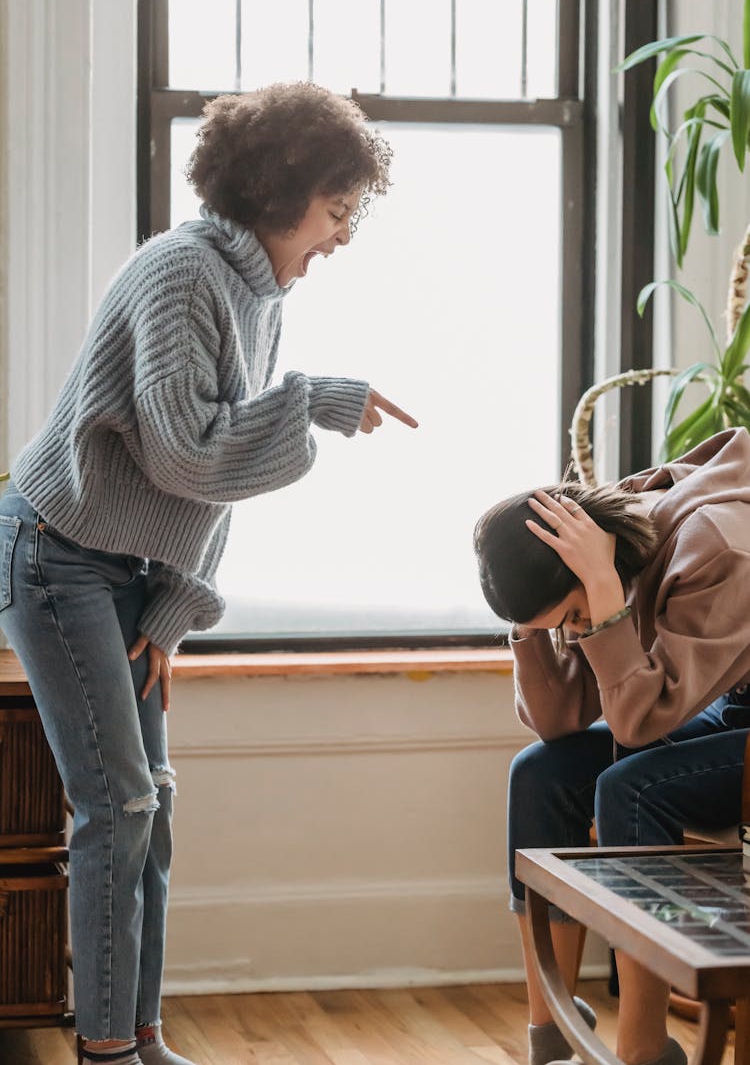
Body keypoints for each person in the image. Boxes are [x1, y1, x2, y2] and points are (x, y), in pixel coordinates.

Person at [0, 81, 417, 1065]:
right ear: (283, 191)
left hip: (125, 568)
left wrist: (178, 606)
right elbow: (187, 452)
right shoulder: (184, 272)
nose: (343, 237)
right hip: (55, 551)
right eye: (338, 209)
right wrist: (312, 403)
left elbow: (213, 476)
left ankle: (141, 1040)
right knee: (120, 804)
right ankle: (107, 1051)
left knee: (156, 800)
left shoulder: (258, 293)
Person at [473, 427, 750, 1065]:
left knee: (630, 783)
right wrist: (533, 629)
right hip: (722, 707)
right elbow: (559, 721)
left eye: (568, 617)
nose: (575, 630)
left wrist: (599, 596)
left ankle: (641, 1048)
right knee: (541, 772)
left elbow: (637, 721)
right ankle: (550, 1031)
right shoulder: (603, 550)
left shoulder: (712, 546)